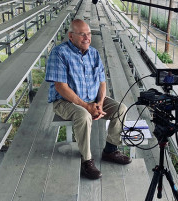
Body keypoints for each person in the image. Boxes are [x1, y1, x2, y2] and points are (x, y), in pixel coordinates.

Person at [45, 19, 131, 180]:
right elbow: (60, 87)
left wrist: (99, 103)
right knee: (83, 115)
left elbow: (102, 82)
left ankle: (111, 150)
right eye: (82, 34)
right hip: (65, 101)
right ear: (71, 36)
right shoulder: (59, 53)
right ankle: (87, 160)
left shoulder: (94, 53)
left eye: (89, 33)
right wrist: (86, 106)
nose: (87, 38)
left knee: (121, 108)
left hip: (92, 99)